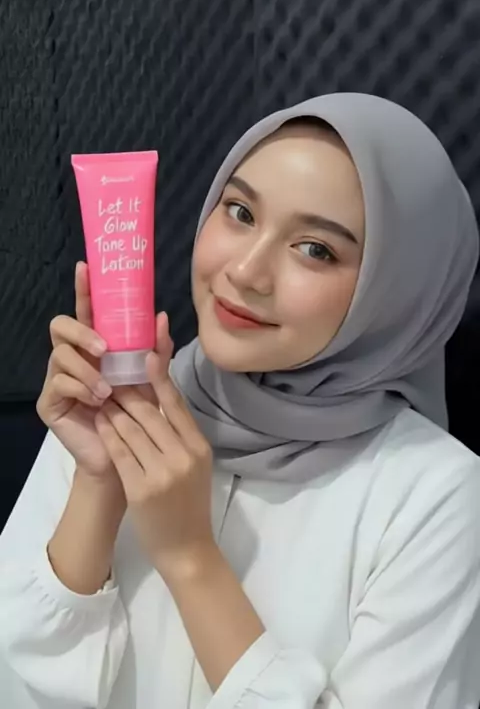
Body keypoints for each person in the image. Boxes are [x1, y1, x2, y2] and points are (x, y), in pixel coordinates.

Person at [0, 92, 479, 709]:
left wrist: (190, 558)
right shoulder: (118, 402)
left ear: (396, 292)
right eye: (241, 212)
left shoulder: (436, 495)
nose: (247, 271)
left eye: (316, 249)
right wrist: (95, 487)